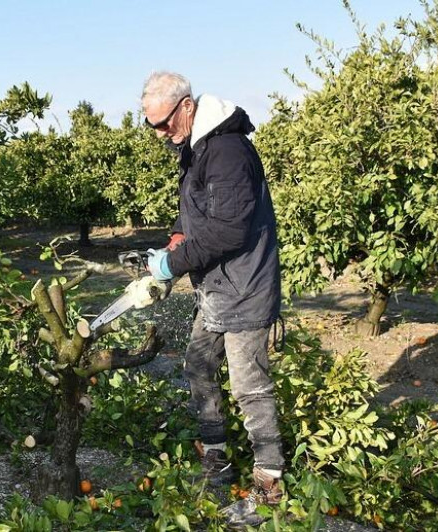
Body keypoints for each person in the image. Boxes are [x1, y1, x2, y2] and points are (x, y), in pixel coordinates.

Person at [141, 71, 285, 527]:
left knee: (250, 388)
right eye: (152, 127)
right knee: (199, 366)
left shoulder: (225, 150)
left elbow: (228, 229)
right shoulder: (196, 148)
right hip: (218, 288)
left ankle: (269, 486)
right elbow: (204, 216)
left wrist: (174, 265)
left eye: (163, 123)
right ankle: (216, 458)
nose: (160, 134)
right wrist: (177, 242)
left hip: (244, 287)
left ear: (186, 106)